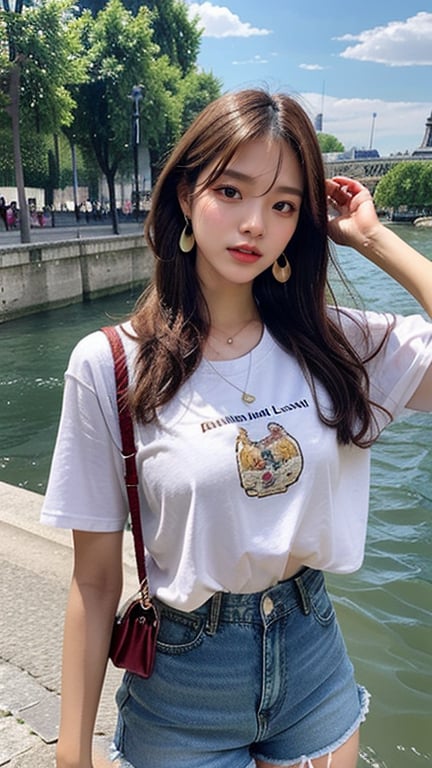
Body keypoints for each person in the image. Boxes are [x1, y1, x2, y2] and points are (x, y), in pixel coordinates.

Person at [41, 89, 432, 768]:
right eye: (231, 189)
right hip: (184, 679)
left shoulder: (332, 345)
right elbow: (96, 581)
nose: (255, 224)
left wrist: (372, 238)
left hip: (313, 658)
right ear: (187, 195)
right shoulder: (109, 366)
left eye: (283, 205)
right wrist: (71, 753)